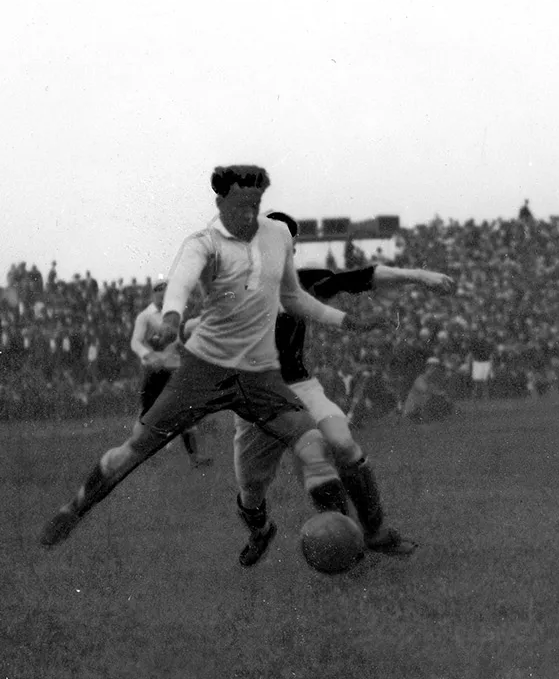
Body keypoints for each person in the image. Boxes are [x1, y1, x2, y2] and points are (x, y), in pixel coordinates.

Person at [39, 165, 387, 553]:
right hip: (205, 370)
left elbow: (297, 296)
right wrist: (172, 315)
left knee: (311, 440)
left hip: (257, 375)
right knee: (135, 449)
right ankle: (76, 507)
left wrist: (347, 319)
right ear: (222, 203)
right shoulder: (205, 242)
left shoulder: (274, 245)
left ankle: (343, 539)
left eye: (255, 199)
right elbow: (183, 279)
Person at [228, 211, 455, 567]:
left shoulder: (302, 283)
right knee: (251, 490)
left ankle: (368, 536)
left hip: (300, 386)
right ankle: (260, 531)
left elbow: (359, 278)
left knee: (341, 445)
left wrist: (418, 276)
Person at [129, 281, 213, 468]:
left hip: (173, 370)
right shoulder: (145, 316)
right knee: (147, 415)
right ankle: (134, 456)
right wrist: (149, 355)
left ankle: (195, 458)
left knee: (184, 412)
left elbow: (178, 340)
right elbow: (135, 342)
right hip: (154, 372)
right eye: (158, 293)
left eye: (165, 293)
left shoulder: (173, 317)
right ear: (153, 295)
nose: (162, 296)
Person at [402, 357, 455, 423]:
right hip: (412, 413)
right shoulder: (420, 379)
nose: (437, 370)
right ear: (428, 368)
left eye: (437, 368)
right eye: (434, 367)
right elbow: (426, 390)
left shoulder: (434, 381)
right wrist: (441, 393)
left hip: (423, 412)